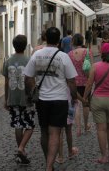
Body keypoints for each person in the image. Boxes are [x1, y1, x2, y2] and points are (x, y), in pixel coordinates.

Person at [24, 27, 78, 171]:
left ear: (46, 38)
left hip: (42, 99)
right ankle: (49, 166)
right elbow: (72, 81)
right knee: (55, 133)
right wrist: (74, 97)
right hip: (59, 99)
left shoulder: (36, 55)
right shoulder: (64, 57)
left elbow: (28, 77)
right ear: (59, 40)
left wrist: (32, 90)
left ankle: (48, 160)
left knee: (43, 132)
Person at [3, 34, 35, 165]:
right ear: (25, 45)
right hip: (26, 98)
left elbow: (6, 82)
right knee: (30, 125)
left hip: (13, 97)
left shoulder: (8, 61)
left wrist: (6, 99)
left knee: (18, 124)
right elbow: (31, 81)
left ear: (13, 45)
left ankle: (21, 150)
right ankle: (21, 148)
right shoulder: (29, 61)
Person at [68, 33, 93, 136]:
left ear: (73, 41)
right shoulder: (87, 52)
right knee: (86, 104)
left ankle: (78, 129)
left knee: (76, 104)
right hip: (86, 82)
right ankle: (86, 125)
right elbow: (92, 67)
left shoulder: (70, 54)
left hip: (74, 82)